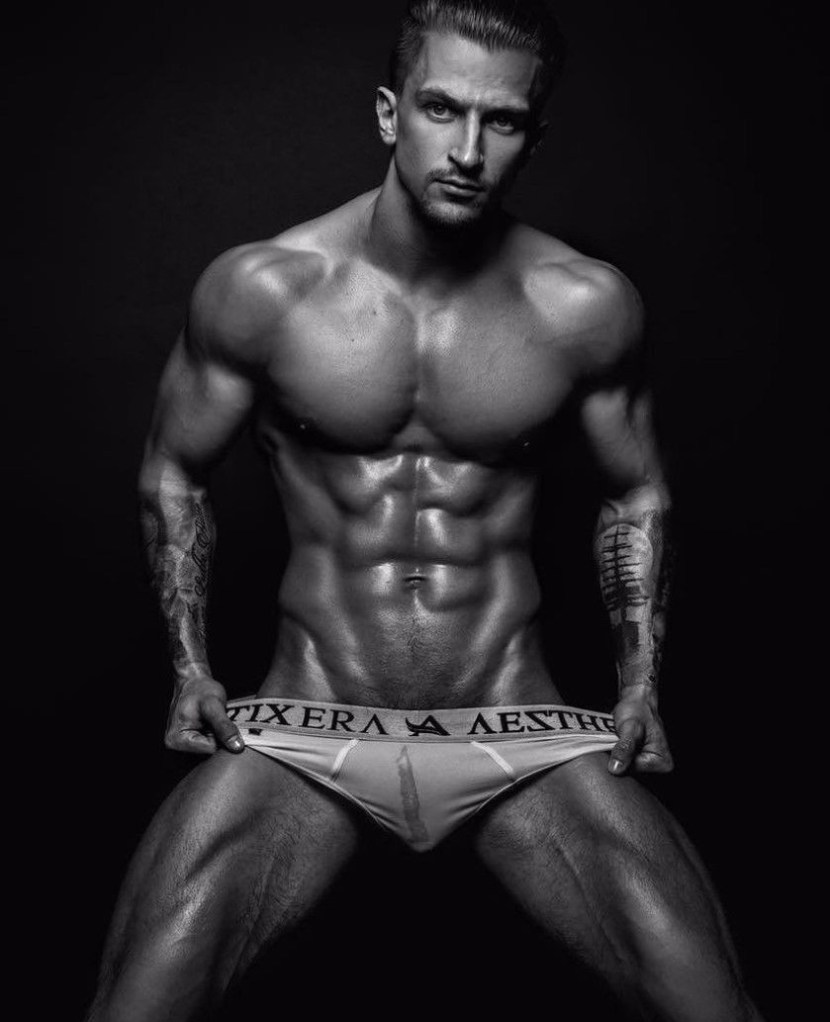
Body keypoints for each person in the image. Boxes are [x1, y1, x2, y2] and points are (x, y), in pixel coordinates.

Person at [86, 2, 762, 1018]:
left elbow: (635, 489)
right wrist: (190, 669)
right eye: (441, 108)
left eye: (501, 121)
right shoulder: (265, 289)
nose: (467, 150)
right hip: (309, 718)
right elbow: (173, 470)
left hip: (514, 719)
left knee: (706, 997)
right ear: (388, 112)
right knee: (140, 1000)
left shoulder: (581, 306)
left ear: (534, 135)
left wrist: (639, 685)